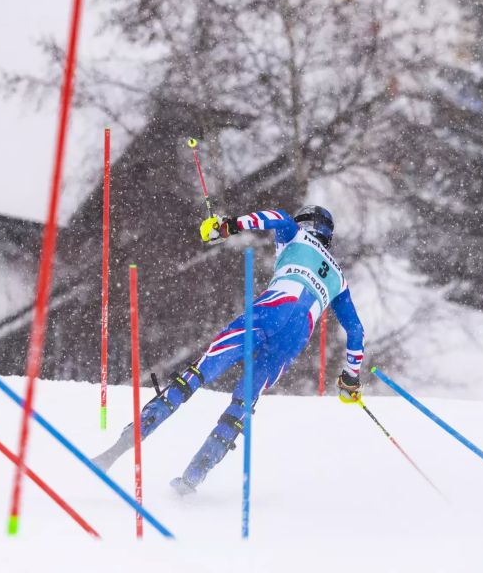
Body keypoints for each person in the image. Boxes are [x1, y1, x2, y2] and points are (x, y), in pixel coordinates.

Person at [93, 205, 365, 495]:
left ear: (306, 224)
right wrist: (351, 378)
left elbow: (276, 218)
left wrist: (227, 226)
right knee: (242, 405)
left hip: (274, 308)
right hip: (297, 334)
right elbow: (356, 330)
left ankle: (114, 452)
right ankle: (191, 481)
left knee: (200, 372)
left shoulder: (295, 233)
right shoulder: (339, 277)